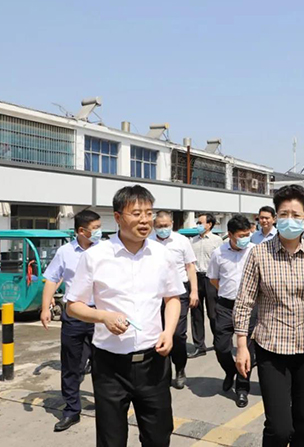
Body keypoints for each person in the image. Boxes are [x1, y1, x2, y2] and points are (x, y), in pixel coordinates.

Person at [67, 185, 185, 447]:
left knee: (158, 436)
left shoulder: (162, 255)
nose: (145, 220)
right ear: (118, 217)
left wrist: (168, 332)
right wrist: (103, 317)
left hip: (153, 362)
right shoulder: (95, 256)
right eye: (137, 213)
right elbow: (73, 305)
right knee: (111, 440)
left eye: (149, 213)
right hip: (110, 366)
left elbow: (173, 298)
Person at [234, 184, 304, 447]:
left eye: (296, 215)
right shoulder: (259, 254)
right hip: (271, 350)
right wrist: (241, 345)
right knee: (279, 428)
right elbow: (245, 301)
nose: (289, 220)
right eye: (284, 214)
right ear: (276, 217)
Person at [40, 210, 102, 432]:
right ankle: (72, 410)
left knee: (104, 363)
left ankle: (106, 405)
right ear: (81, 231)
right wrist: (45, 308)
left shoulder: (106, 250)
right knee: (71, 364)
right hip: (74, 315)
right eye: (95, 228)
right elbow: (52, 279)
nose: (99, 232)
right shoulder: (65, 252)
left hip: (100, 315)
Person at [207, 214, 256, 408]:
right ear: (230, 234)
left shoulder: (255, 251)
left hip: (249, 307)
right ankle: (230, 370)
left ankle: (242, 388)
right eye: (241, 235)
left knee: (247, 349)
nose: (245, 238)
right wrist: (227, 291)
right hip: (226, 306)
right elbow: (213, 278)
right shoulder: (218, 253)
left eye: (247, 234)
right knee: (221, 346)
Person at [151, 210, 199, 389]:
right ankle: (162, 373)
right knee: (158, 332)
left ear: (171, 224)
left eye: (166, 225)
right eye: (159, 226)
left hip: (179, 291)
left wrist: (194, 291)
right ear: (154, 226)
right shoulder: (148, 242)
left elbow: (190, 266)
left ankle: (180, 368)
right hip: (156, 292)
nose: (163, 229)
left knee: (177, 334)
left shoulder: (181, 241)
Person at [189, 213, 223, 358]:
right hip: (196, 277)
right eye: (197, 223)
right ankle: (199, 346)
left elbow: (221, 261)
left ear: (209, 224)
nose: (198, 225)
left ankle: (219, 342)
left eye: (200, 222)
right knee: (196, 313)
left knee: (213, 313)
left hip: (211, 278)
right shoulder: (192, 241)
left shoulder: (217, 241)